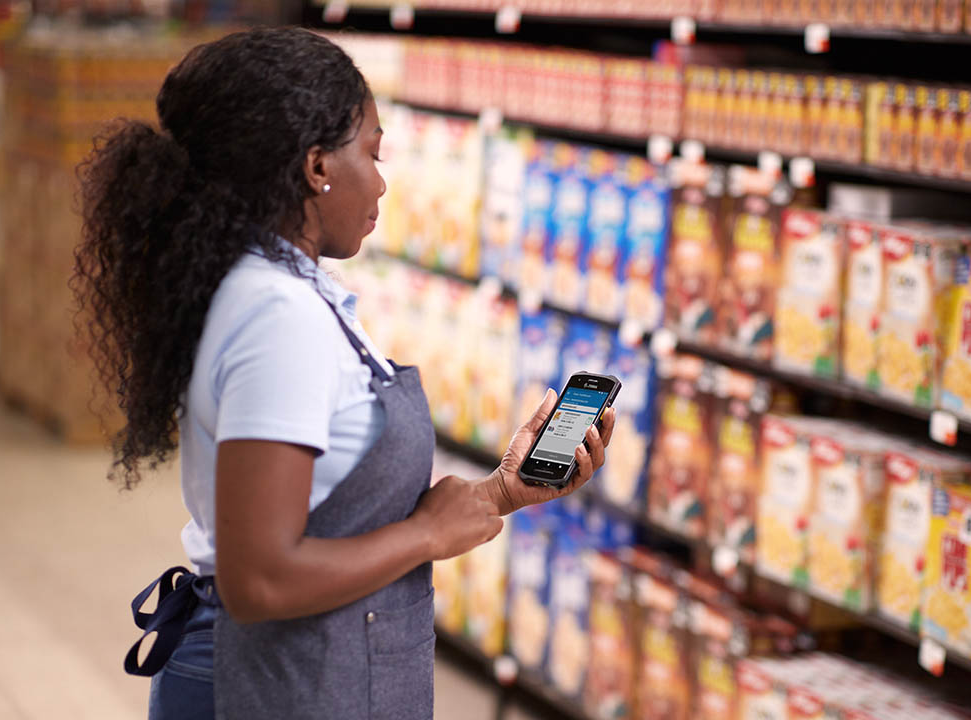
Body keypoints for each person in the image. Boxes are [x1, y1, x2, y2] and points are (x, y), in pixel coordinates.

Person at [72, 27, 614, 720]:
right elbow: (260, 579)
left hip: (297, 667)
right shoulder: (277, 316)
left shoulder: (282, 288)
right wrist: (426, 535)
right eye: (373, 151)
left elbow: (330, 510)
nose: (382, 179)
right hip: (268, 679)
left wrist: (500, 492)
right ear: (316, 166)